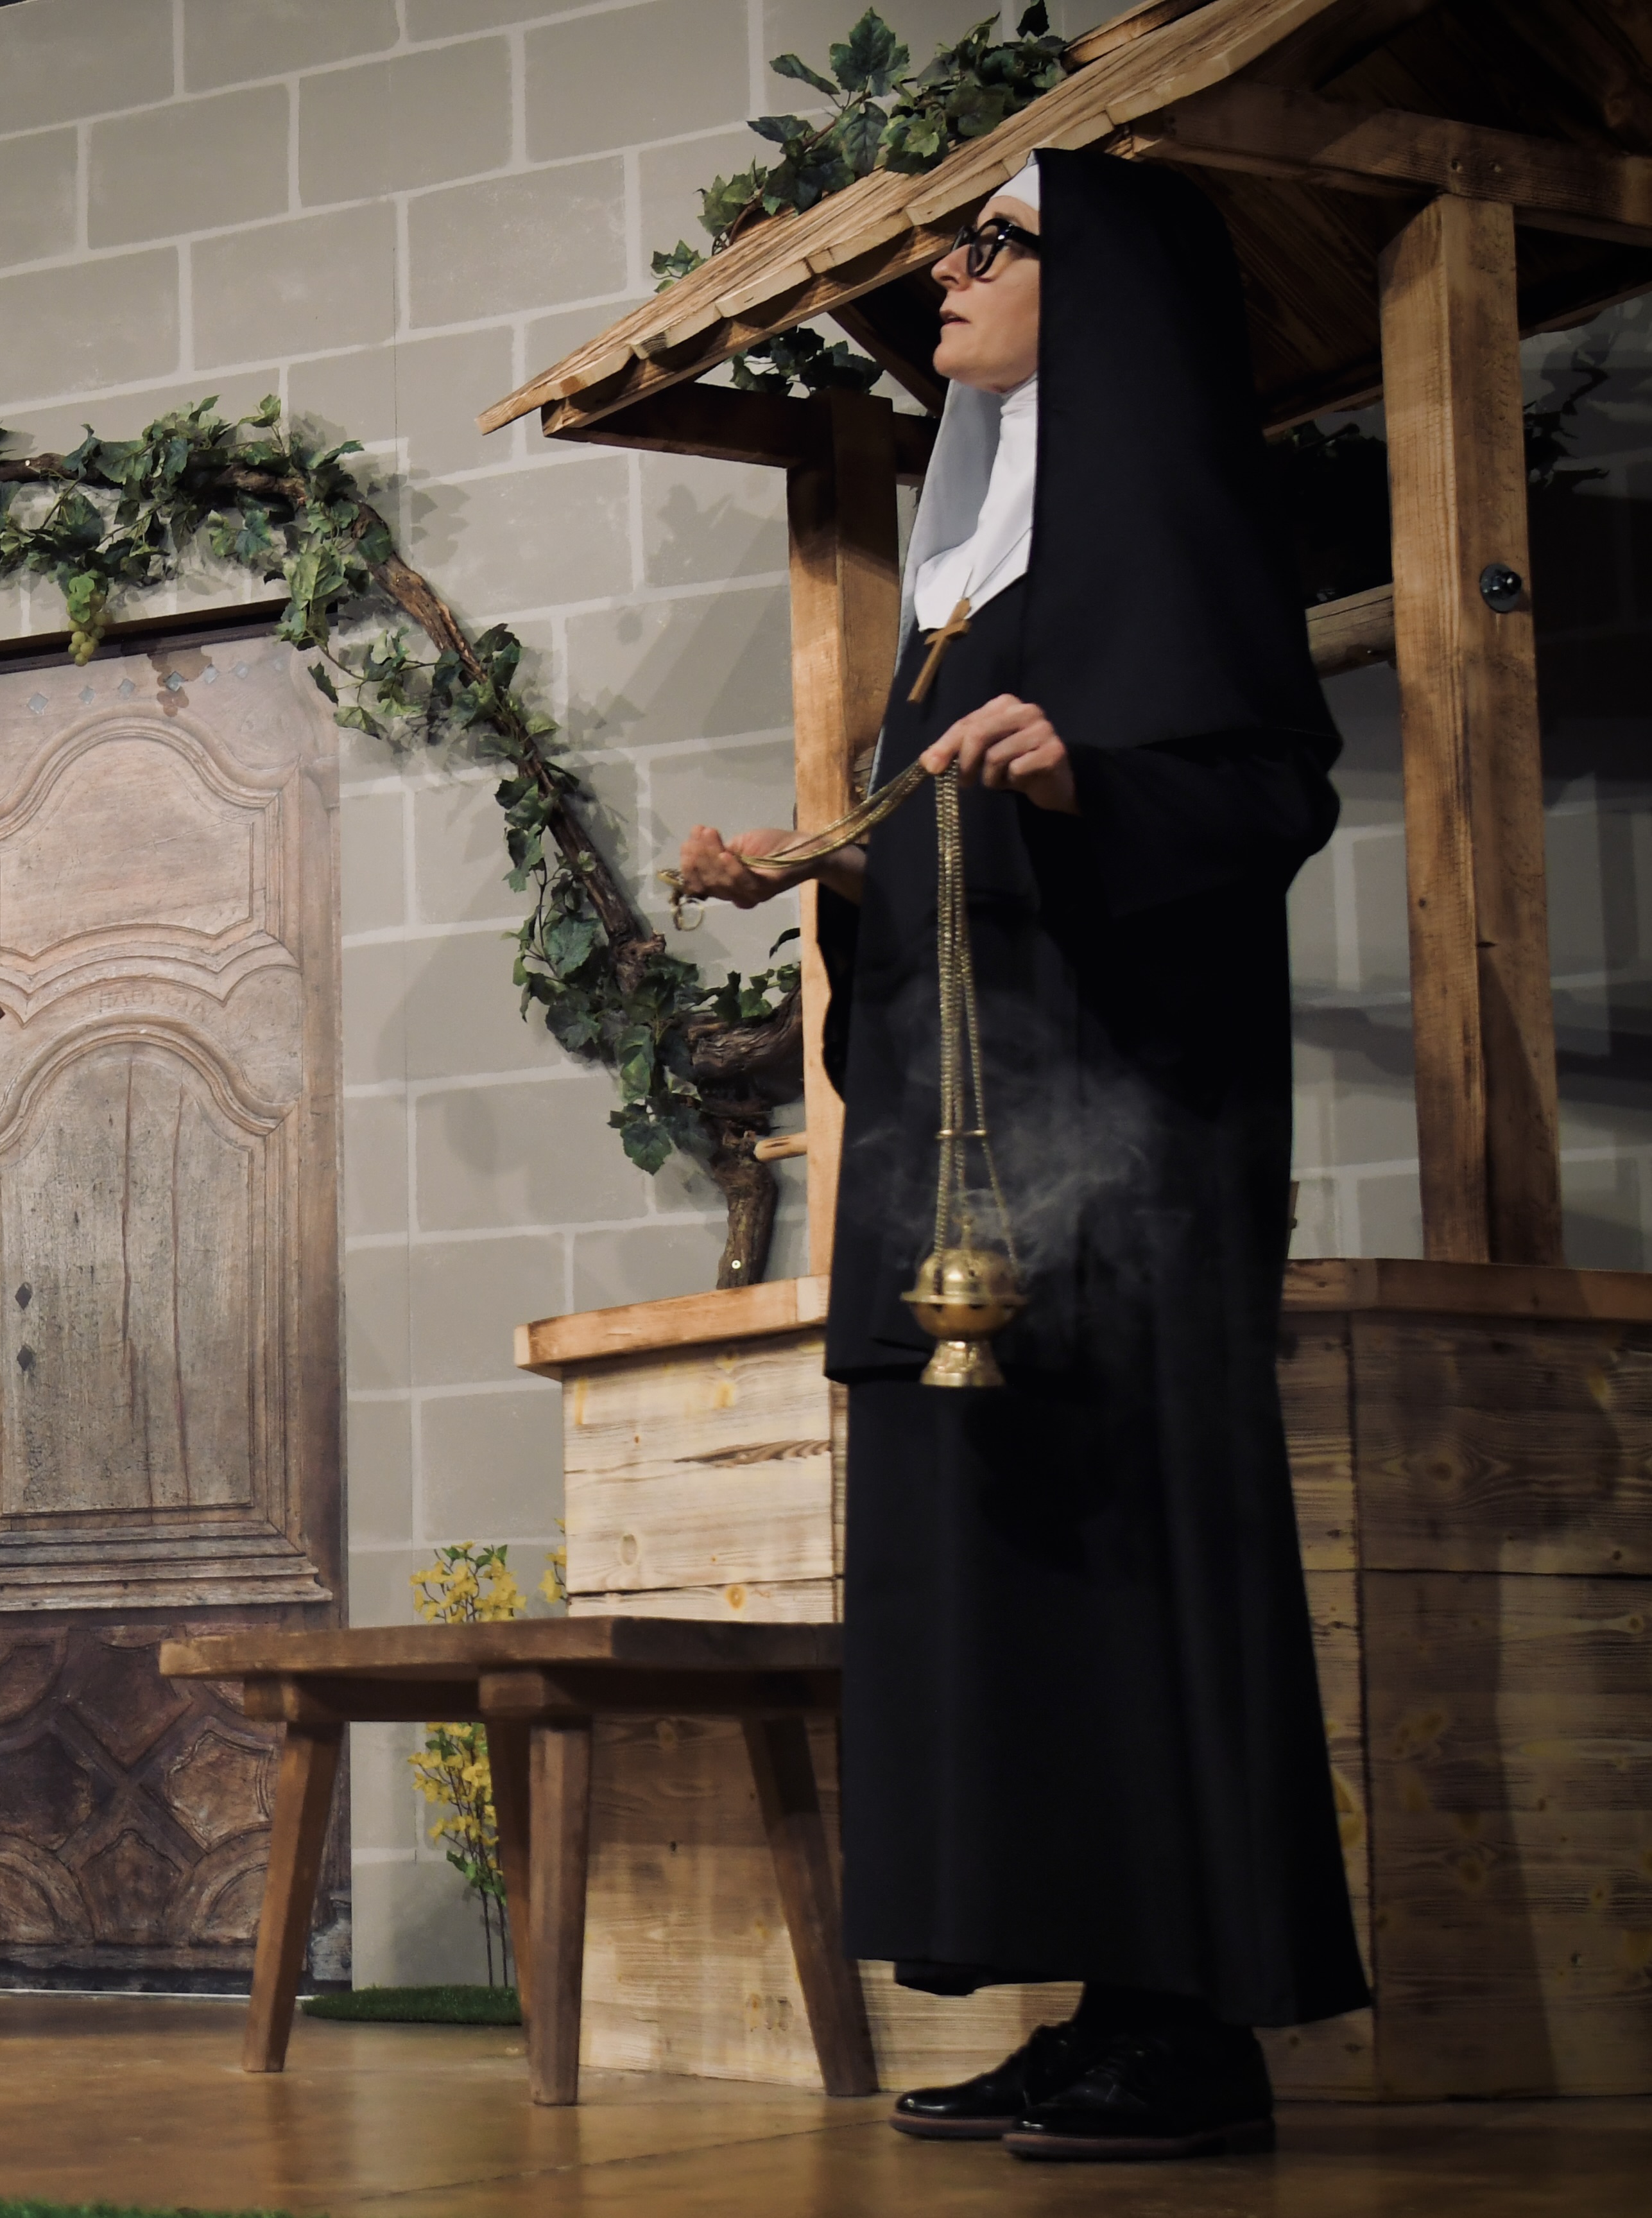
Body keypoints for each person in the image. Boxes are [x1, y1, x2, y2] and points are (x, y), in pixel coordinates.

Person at [674, 150, 1368, 2162]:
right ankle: (1088, 2006)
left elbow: (1266, 795)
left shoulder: (1167, 521)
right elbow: (938, 871)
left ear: (1107, 291)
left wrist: (1084, 784)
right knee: (1000, 1579)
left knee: (1130, 1560)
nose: (947, 275)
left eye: (995, 242)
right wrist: (810, 874)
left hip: (1121, 1170)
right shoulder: (961, 581)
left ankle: (1190, 2028)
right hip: (962, 1165)